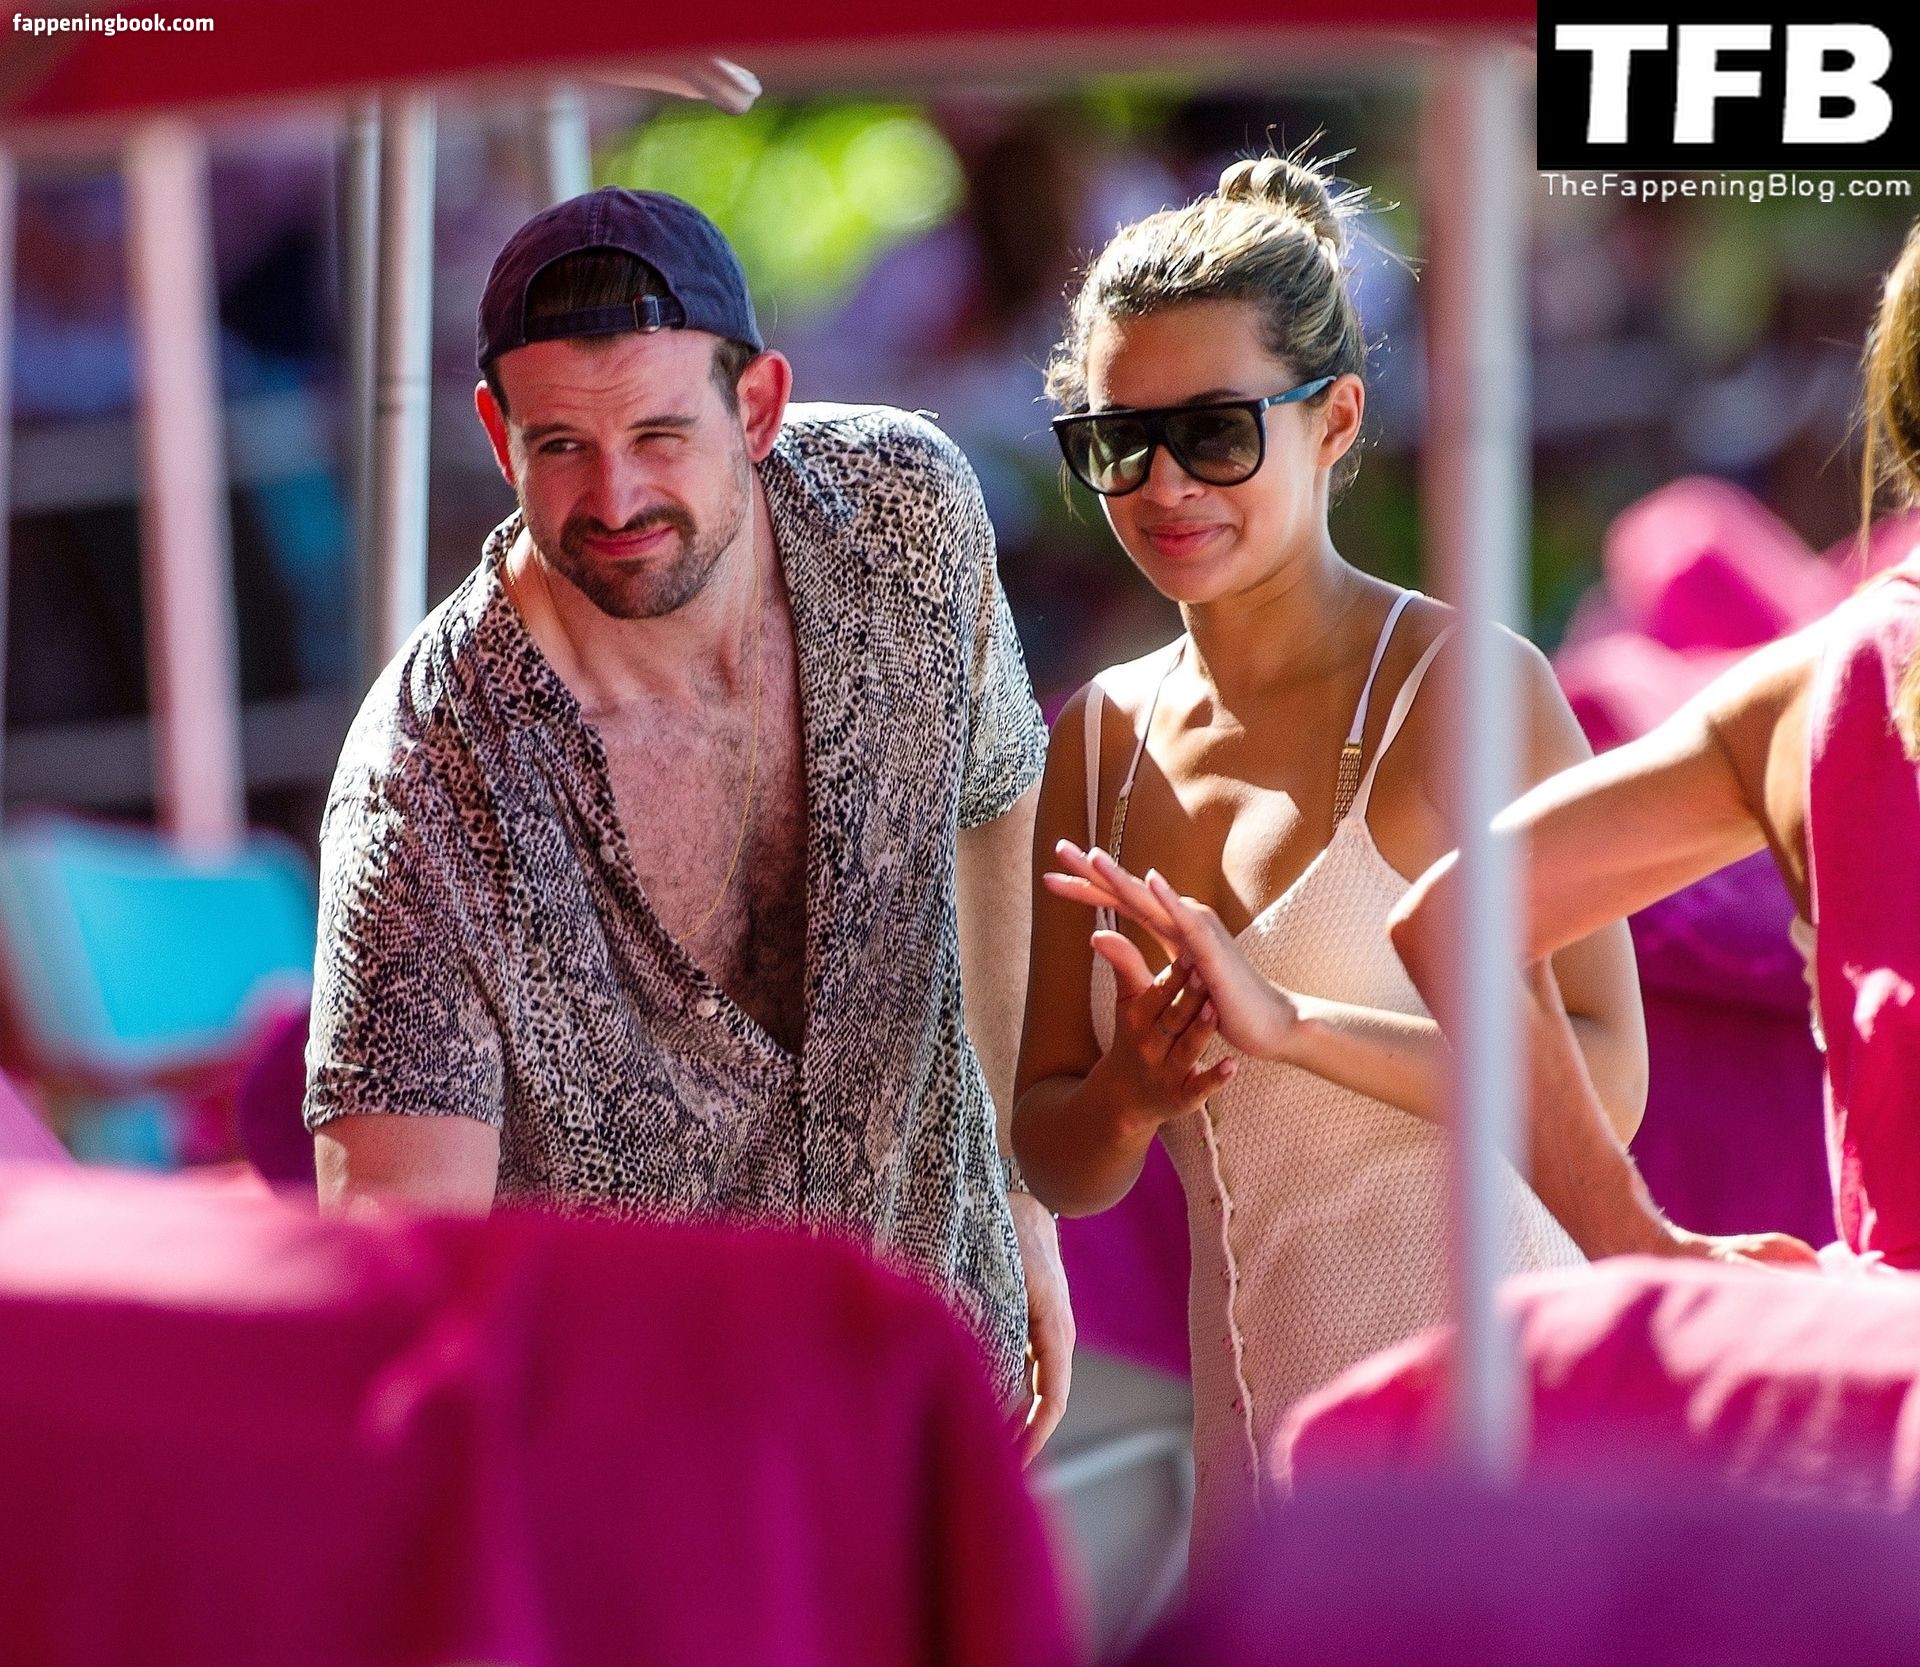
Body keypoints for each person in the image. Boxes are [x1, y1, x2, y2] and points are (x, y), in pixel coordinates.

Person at [304, 188, 1073, 1454]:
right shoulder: (424, 785)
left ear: (757, 406)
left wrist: (1020, 1195)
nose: (613, 497)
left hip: (945, 1415)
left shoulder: (907, 515)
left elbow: (997, 799)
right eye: (561, 445)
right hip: (654, 1502)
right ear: (497, 432)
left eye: (660, 433)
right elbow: (402, 1280)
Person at [1008, 152, 1643, 1549]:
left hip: (1507, 1449)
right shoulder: (1098, 742)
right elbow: (1057, 1152)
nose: (1165, 482)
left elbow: (1607, 1080)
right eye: (1118, 440)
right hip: (1264, 1482)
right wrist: (1129, 1090)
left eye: (1215, 431)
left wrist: (1294, 1024)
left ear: (1335, 417)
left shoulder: (1468, 689)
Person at [1391, 215, 1920, 1275]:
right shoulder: (1827, 676)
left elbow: (1456, 915)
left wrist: (1628, 1235)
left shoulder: (1813, 678)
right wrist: (1628, 1232)